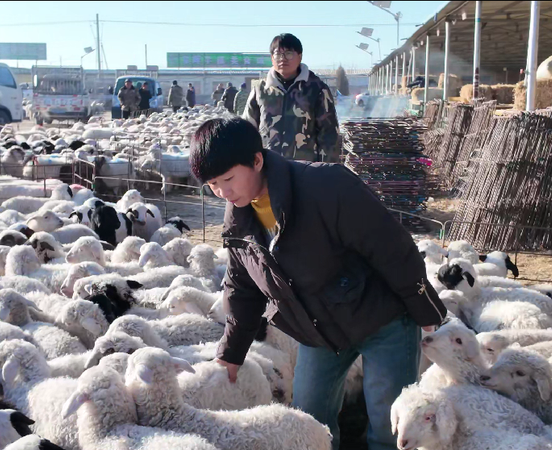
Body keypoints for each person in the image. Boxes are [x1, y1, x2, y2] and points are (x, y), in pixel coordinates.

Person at [189, 117, 446, 450]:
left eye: (228, 179)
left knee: (390, 426)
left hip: (382, 319)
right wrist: (230, 354)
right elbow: (242, 287)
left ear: (257, 160)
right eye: (212, 184)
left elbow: (391, 247)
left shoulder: (326, 186)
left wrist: (424, 309)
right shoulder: (238, 218)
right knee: (309, 420)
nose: (223, 192)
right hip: (318, 330)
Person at [243, 33, 341, 163]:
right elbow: (246, 130)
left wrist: (326, 169)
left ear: (300, 57)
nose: (283, 59)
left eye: (289, 54)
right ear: (272, 58)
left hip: (305, 168)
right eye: (278, 54)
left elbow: (329, 134)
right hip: (268, 166)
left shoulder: (316, 89)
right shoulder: (260, 90)